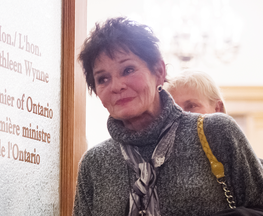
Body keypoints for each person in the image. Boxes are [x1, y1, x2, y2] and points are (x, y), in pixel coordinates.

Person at [73, 17, 263, 216]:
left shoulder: (216, 131)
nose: (116, 86)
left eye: (128, 70)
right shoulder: (95, 163)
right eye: (103, 79)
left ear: (159, 71)